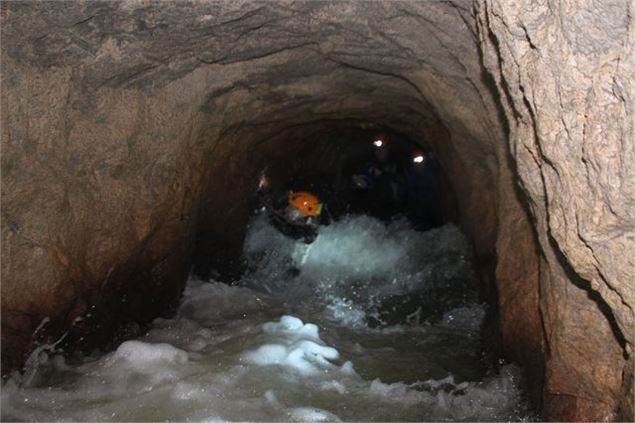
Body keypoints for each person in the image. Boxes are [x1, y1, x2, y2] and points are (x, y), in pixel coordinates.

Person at [349, 132, 404, 220]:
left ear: (388, 148)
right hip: (375, 208)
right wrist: (358, 181)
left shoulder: (398, 164)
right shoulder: (371, 165)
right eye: (377, 149)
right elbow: (364, 178)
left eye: (382, 149)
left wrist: (385, 175)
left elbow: (402, 182)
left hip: (394, 208)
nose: (379, 152)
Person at [257, 177, 327, 243]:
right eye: (289, 207)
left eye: (293, 209)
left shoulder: (301, 232)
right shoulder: (311, 221)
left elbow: (276, 221)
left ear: (304, 214)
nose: (287, 210)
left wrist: (261, 196)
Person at [403, 149, 441, 230]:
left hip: (428, 211)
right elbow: (407, 193)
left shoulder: (430, 175)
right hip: (414, 210)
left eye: (420, 160)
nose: (418, 164)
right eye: (415, 161)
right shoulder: (410, 175)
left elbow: (434, 194)